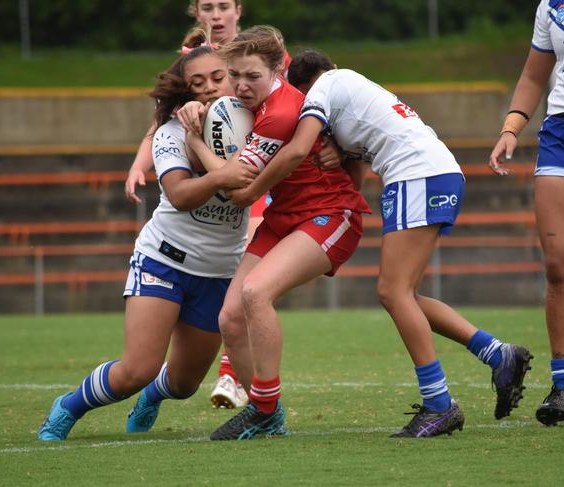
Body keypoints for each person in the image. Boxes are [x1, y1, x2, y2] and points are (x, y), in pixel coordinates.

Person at [227, 48, 534, 438]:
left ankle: (439, 404)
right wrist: (337, 154)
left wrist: (253, 189)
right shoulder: (348, 87)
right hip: (429, 174)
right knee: (405, 294)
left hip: (417, 176)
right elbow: (352, 177)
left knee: (393, 292)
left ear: (302, 87)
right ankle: (497, 354)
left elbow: (299, 148)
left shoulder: (321, 90)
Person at [125, 0, 339, 411]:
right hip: (223, 184)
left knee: (250, 273)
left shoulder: (260, 57)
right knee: (245, 285)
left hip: (259, 172)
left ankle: (232, 372)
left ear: (238, 12)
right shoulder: (191, 65)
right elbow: (163, 117)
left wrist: (326, 142)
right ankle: (232, 373)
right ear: (197, 14)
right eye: (209, 7)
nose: (217, 15)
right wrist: (142, 159)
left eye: (224, 6)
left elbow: (297, 105)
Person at [37, 45, 259, 441]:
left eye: (217, 77)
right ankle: (68, 406)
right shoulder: (171, 132)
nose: (209, 88)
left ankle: (153, 397)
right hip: (164, 260)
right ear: (185, 92)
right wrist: (202, 155)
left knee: (185, 383)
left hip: (219, 271)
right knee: (136, 370)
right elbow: (180, 194)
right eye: (197, 82)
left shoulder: (257, 124)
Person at [179, 26, 371, 440]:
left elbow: (236, 190)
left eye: (252, 76)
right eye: (235, 75)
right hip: (285, 218)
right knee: (230, 319)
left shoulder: (283, 112)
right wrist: (197, 109)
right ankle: (271, 414)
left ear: (278, 69)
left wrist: (195, 143)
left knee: (255, 293)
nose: (241, 86)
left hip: (329, 214)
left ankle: (263, 410)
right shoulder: (246, 104)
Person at [489, 0, 564, 426]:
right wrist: (511, 128)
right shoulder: (550, 5)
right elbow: (535, 75)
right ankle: (563, 385)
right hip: (559, 130)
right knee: (557, 266)